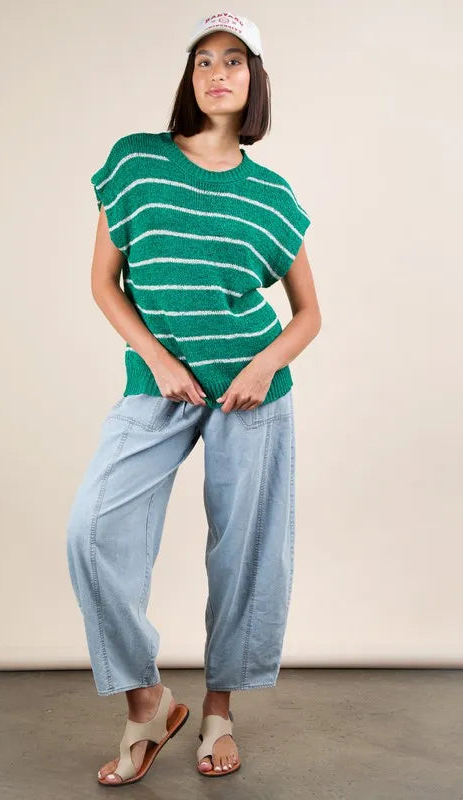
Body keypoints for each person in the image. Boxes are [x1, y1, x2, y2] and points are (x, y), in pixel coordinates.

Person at [66, 9, 321, 787]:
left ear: (254, 79)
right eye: (204, 59)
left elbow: (308, 314)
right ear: (189, 75)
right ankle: (149, 706)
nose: (217, 72)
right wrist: (156, 357)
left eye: (234, 60)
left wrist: (261, 368)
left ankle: (217, 712)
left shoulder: (270, 194)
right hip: (160, 385)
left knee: (243, 554)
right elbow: (104, 281)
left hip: (251, 391)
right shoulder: (135, 161)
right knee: (92, 532)